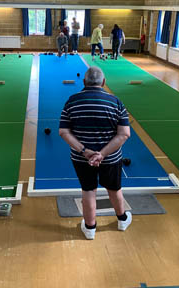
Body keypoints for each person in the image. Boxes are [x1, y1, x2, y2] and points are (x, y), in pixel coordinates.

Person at [59, 67, 132, 240]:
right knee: (114, 189)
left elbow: (63, 131)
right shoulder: (116, 102)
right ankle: (122, 220)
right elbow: (124, 134)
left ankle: (90, 229)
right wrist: (103, 154)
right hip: (111, 158)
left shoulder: (72, 101)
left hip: (81, 158)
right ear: (104, 82)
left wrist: (85, 152)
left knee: (88, 190)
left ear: (84, 82)